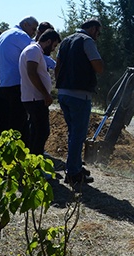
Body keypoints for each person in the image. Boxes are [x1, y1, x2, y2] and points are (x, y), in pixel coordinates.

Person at [55, 19, 104, 186]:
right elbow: (98, 67)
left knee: (73, 133)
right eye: (98, 31)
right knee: (78, 135)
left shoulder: (66, 41)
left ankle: (74, 166)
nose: (98, 35)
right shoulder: (87, 41)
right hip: (79, 95)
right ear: (92, 29)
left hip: (63, 93)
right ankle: (73, 173)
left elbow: (58, 66)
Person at [0, 16, 38, 146]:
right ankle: (18, 150)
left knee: (6, 119)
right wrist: (55, 64)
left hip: (4, 83)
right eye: (33, 29)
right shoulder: (20, 35)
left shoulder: (4, 35)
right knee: (19, 120)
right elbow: (36, 52)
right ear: (25, 24)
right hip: (16, 83)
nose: (34, 33)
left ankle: (4, 148)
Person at [19, 29, 61, 156]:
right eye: (54, 45)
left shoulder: (34, 50)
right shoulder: (33, 50)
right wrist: (45, 94)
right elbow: (32, 73)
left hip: (34, 98)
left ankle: (33, 159)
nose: (53, 49)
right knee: (42, 131)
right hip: (35, 99)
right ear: (48, 41)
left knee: (37, 131)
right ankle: (35, 161)